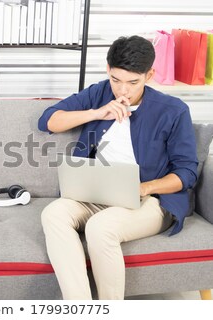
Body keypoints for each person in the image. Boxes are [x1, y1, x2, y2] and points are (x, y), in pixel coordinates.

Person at [38, 35, 198, 300]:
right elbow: (48, 121)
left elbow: (187, 173)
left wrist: (143, 187)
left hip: (150, 200)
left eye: (132, 82)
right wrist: (97, 113)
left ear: (149, 75)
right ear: (107, 70)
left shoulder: (173, 110)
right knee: (53, 214)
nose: (122, 91)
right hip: (97, 194)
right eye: (116, 80)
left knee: (100, 228)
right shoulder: (99, 93)